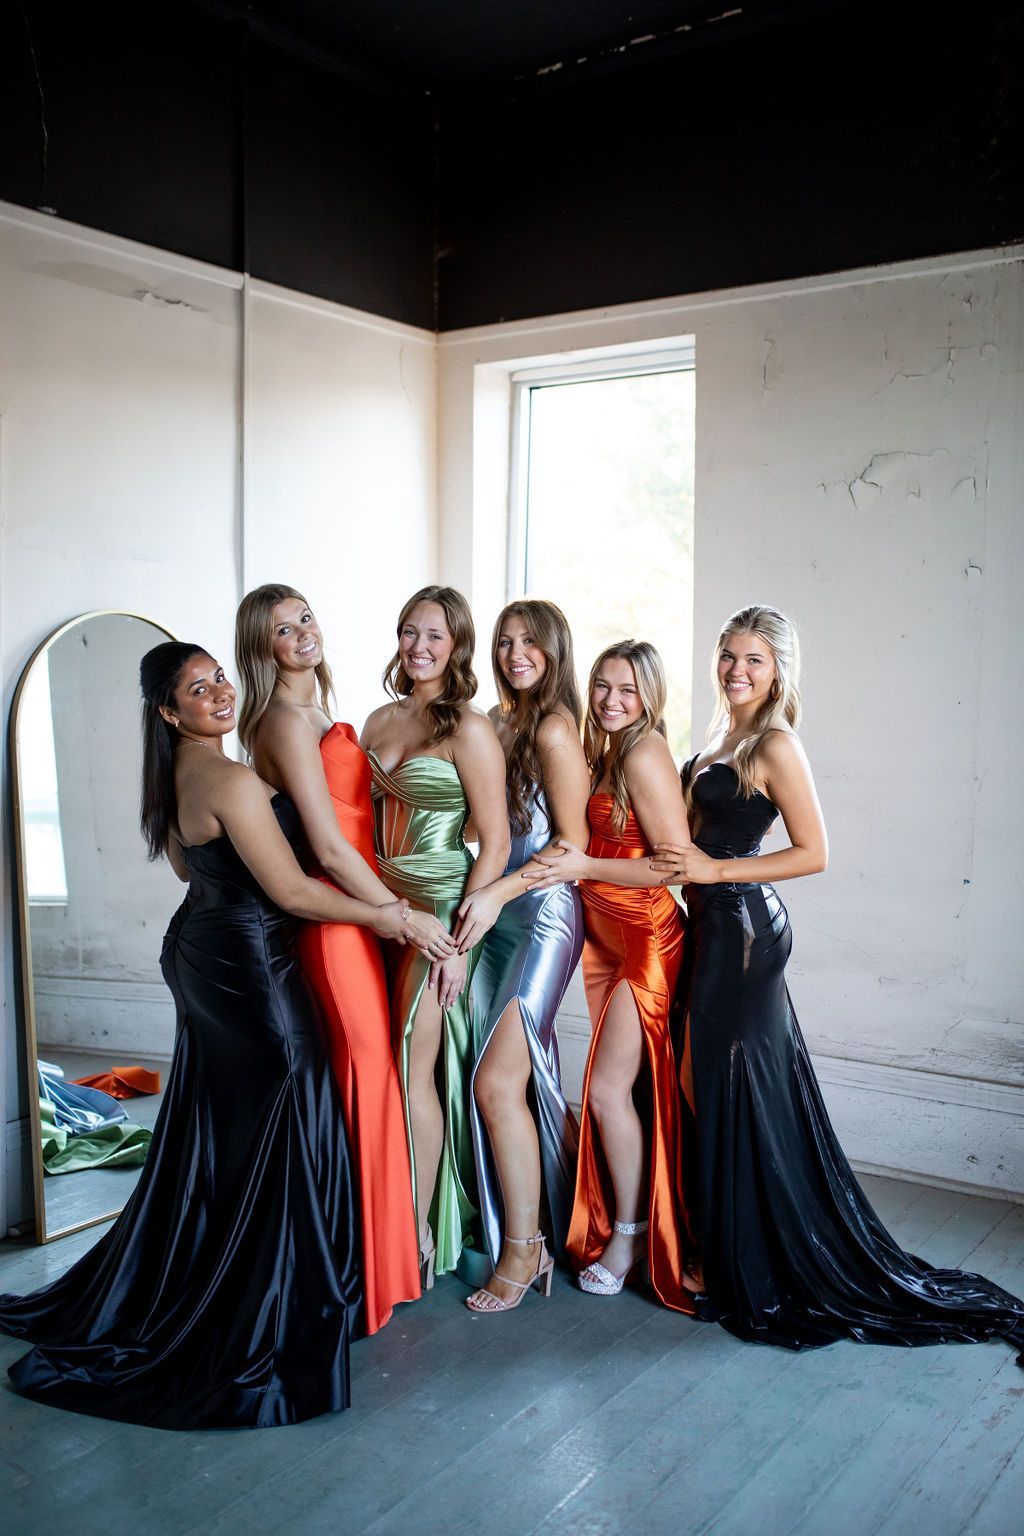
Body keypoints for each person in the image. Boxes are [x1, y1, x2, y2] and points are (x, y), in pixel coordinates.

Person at [0, 643, 411, 1428]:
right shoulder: (228, 780)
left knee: (228, 1125)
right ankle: (273, 1296)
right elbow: (293, 893)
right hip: (253, 965)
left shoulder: (178, 778)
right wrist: (391, 916)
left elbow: (196, 874)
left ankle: (235, 1271)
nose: (220, 691)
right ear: (169, 711)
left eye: (219, 675)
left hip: (205, 952)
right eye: (197, 689)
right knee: (288, 1101)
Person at [653, 604, 1024, 1358]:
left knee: (727, 1086)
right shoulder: (718, 735)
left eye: (753, 660)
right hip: (711, 927)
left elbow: (814, 851)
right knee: (704, 1082)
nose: (736, 670)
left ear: (778, 670)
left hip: (746, 930)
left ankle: (738, 1261)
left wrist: (715, 871)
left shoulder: (775, 743)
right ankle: (731, 1241)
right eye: (728, 655)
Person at [236, 584, 456, 1331]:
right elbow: (329, 848)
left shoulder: (319, 714)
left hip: (366, 916)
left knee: (378, 1076)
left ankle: (386, 1255)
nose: (302, 632)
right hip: (339, 925)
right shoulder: (282, 720)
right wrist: (402, 916)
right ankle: (363, 1272)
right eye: (281, 628)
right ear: (261, 647)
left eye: (305, 616)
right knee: (368, 1076)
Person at [535, 640, 700, 1311]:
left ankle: (629, 1237)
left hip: (645, 940)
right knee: (623, 1091)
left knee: (605, 1092)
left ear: (649, 696)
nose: (610, 700)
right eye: (602, 685)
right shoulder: (603, 749)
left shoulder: (642, 752)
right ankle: (636, 1222)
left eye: (627, 689)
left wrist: (583, 869)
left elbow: (673, 864)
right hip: (606, 942)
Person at [362, 586, 509, 1284]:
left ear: (457, 648)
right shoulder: (378, 719)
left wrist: (462, 942)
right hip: (379, 909)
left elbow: (497, 843)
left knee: (411, 1065)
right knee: (375, 1066)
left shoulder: (469, 729)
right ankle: (379, 1210)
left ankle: (417, 1230)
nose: (418, 647)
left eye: (434, 637)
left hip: (441, 911)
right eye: (409, 632)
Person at [454, 600, 589, 1313]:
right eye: (505, 641)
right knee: (506, 1078)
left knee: (496, 1082)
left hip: (542, 912)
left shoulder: (556, 727)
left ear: (554, 649)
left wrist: (498, 891)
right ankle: (556, 1217)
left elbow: (571, 846)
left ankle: (526, 1247)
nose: (515, 653)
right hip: (499, 910)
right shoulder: (497, 721)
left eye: (530, 641)